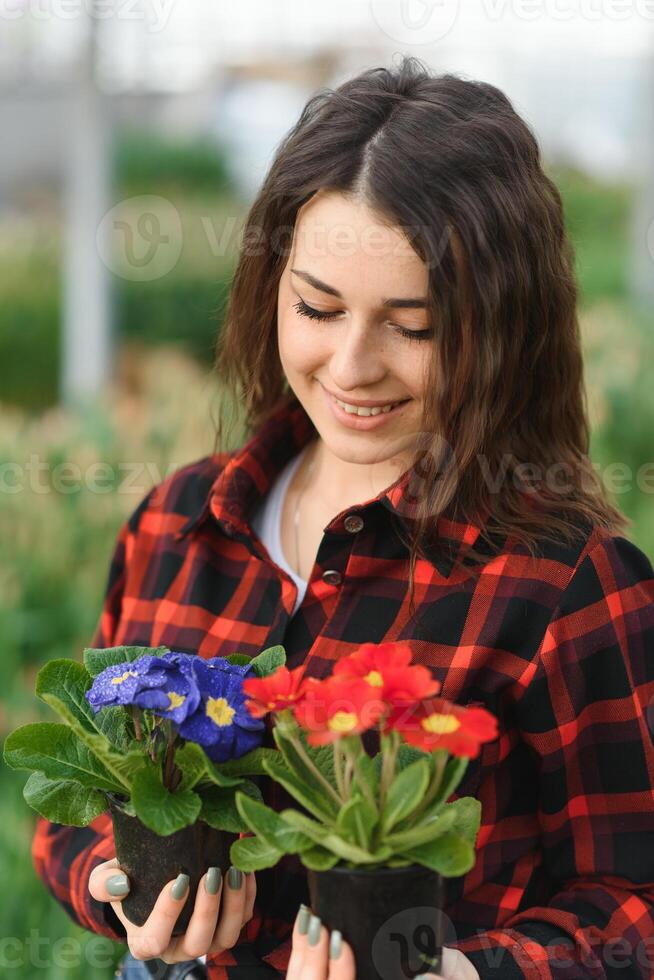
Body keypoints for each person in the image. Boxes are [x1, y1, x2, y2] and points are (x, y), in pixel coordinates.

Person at [31, 56, 654, 980]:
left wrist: (466, 971)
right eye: (316, 308)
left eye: (415, 327)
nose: (352, 367)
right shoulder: (173, 524)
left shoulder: (568, 583)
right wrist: (118, 888)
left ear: (501, 325)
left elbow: (632, 907)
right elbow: (70, 812)